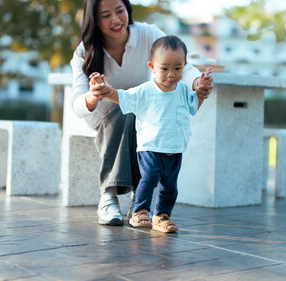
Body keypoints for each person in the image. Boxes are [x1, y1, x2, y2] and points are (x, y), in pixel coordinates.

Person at [70, 0, 213, 226]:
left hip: (141, 111)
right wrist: (95, 95)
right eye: (106, 15)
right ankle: (109, 195)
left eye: (120, 10)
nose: (116, 19)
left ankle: (140, 205)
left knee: (144, 117)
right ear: (94, 19)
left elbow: (181, 63)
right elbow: (77, 104)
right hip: (106, 113)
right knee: (122, 109)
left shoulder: (147, 34)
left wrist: (196, 83)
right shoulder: (85, 51)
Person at [89, 35, 213, 232]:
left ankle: (162, 215)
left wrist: (201, 92)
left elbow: (193, 107)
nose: (171, 74)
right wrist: (104, 90)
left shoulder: (181, 90)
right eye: (164, 69)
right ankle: (139, 211)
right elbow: (123, 97)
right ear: (152, 66)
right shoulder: (146, 90)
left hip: (174, 148)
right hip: (150, 147)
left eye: (177, 68)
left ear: (185, 66)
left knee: (170, 186)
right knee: (149, 178)